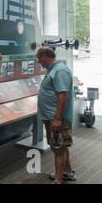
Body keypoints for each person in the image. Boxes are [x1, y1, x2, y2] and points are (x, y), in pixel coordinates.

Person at [36, 46, 76, 184]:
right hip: (52, 117)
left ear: (44, 56)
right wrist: (45, 116)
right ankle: (68, 172)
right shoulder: (53, 70)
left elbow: (63, 95)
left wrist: (57, 119)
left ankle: (58, 180)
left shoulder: (59, 71)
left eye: (38, 59)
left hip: (58, 119)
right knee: (62, 145)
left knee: (58, 149)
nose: (39, 62)